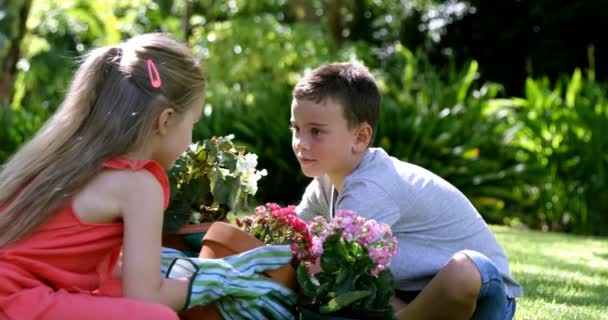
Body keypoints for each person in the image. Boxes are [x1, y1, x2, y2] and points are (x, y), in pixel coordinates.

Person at [0, 33, 295, 320]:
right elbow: (145, 296)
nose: (191, 138)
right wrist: (218, 281)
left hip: (14, 291)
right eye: (192, 124)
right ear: (166, 121)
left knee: (116, 288)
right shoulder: (138, 184)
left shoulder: (72, 163)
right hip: (13, 300)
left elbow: (96, 269)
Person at [290, 61, 523, 320]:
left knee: (463, 270)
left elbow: (322, 267)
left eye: (316, 132)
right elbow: (294, 241)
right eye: (296, 129)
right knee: (337, 292)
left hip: (485, 295)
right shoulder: (324, 183)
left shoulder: (372, 185)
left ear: (360, 138)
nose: (301, 143)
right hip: (412, 296)